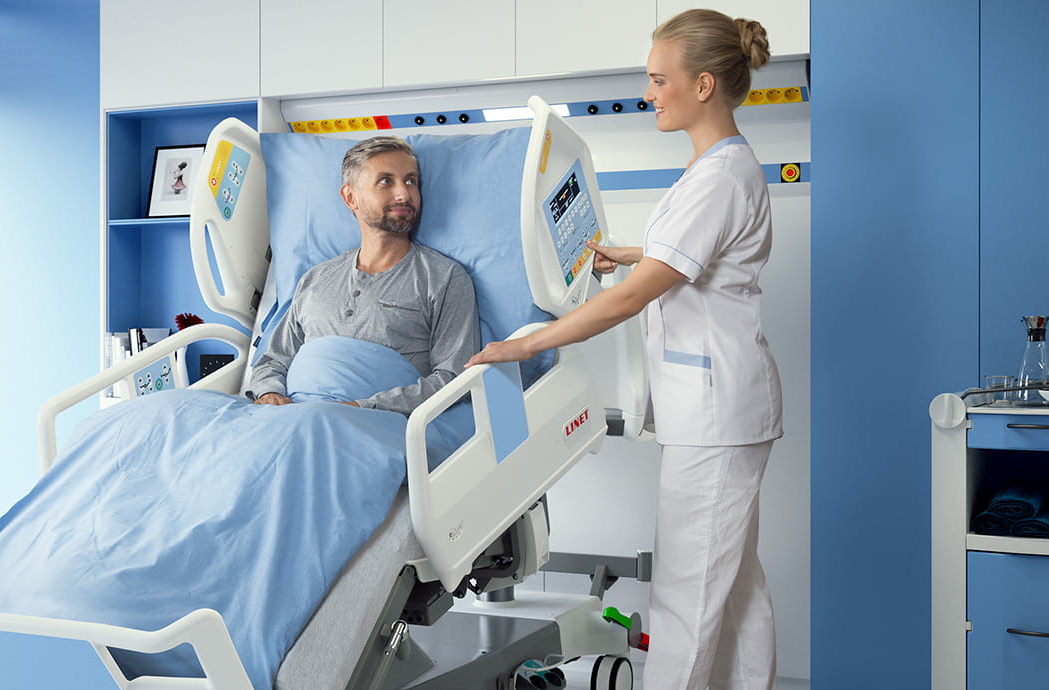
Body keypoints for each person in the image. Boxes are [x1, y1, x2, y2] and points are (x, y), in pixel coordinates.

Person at [466, 9, 781, 689]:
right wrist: (639, 253)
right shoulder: (719, 166)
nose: (649, 93)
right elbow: (701, 260)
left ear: (703, 85)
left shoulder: (720, 178)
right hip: (722, 408)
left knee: (688, 597)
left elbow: (631, 300)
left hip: (715, 415)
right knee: (735, 587)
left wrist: (527, 346)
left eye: (659, 80)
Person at [247, 135, 481, 414]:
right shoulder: (315, 279)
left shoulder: (443, 278)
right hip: (290, 415)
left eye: (411, 181)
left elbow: (454, 378)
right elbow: (274, 359)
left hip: (373, 421)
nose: (403, 194)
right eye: (385, 181)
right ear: (350, 197)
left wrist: (362, 407)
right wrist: (270, 393)